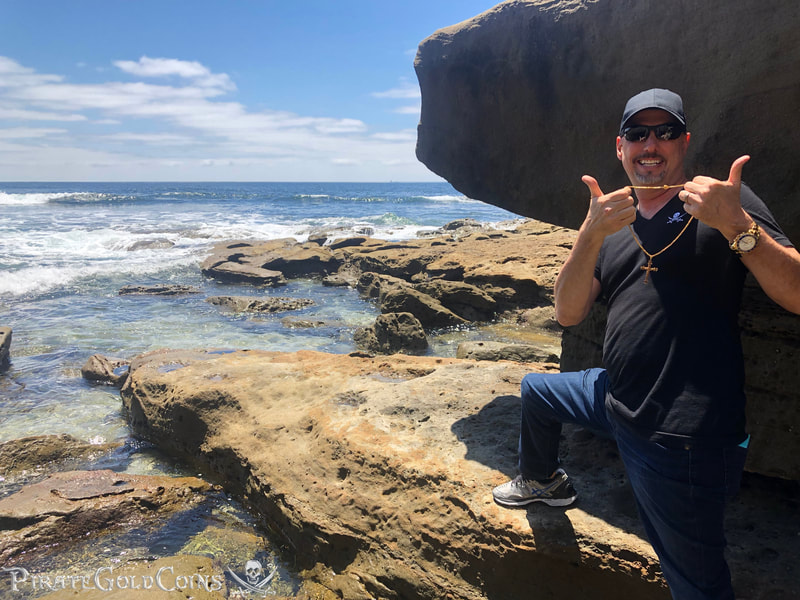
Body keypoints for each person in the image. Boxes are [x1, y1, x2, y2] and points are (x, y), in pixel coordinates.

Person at [492, 88, 800, 599]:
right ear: (620, 147)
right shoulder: (612, 225)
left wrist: (737, 227)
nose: (650, 144)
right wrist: (588, 234)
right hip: (613, 397)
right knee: (535, 390)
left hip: (680, 437)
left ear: (685, 142)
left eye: (665, 132)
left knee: (695, 585)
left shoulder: (726, 204)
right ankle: (542, 481)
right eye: (638, 134)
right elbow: (568, 313)